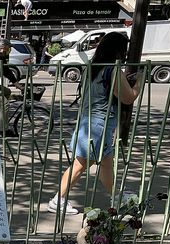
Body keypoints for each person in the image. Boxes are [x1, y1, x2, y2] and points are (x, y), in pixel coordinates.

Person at [47, 32, 144, 215]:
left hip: (90, 123)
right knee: (80, 165)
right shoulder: (112, 69)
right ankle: (57, 200)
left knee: (106, 163)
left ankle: (116, 196)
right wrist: (139, 80)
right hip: (97, 127)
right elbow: (128, 97)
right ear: (119, 50)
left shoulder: (93, 67)